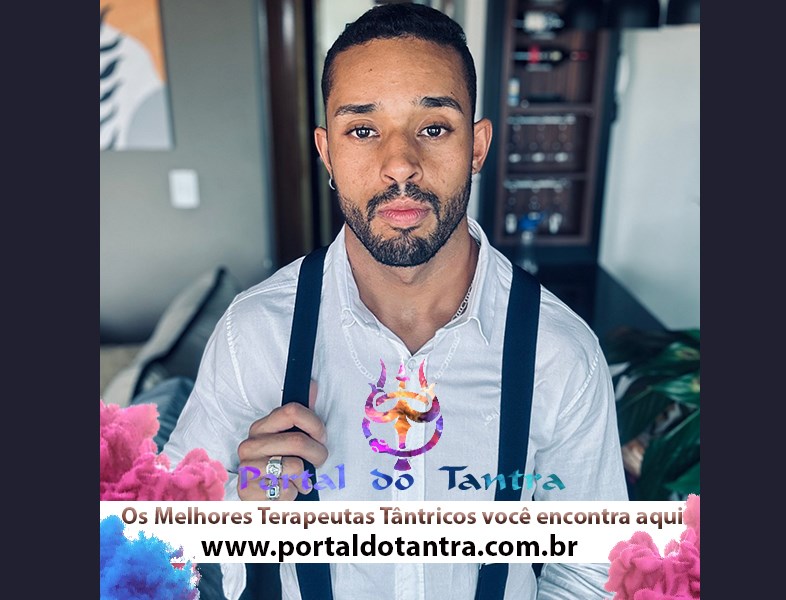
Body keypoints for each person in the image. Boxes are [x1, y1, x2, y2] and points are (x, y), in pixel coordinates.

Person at [164, 3, 627, 599]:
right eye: (363, 130)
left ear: (477, 146)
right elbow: (164, 540)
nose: (400, 164)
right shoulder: (254, 334)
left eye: (433, 127)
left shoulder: (560, 352)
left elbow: (592, 571)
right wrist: (245, 508)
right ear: (327, 153)